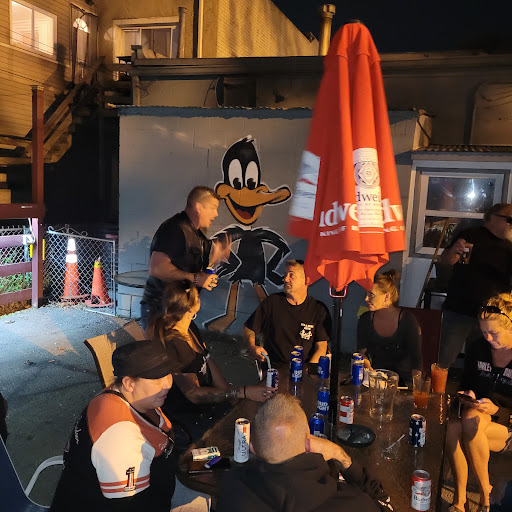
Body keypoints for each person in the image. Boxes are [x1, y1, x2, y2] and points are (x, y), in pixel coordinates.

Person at [50, 339, 186, 512]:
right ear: (129, 383)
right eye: (157, 378)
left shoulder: (123, 394)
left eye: (168, 374)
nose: (167, 384)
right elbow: (128, 506)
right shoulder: (120, 437)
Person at [217, 394, 392, 512]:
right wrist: (340, 454)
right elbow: (384, 504)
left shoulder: (232, 487)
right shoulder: (353, 502)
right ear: (309, 443)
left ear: (252, 448)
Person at [146, 280, 275, 440]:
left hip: (207, 406)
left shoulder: (190, 327)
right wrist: (242, 391)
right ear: (189, 307)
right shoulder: (175, 344)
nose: (200, 297)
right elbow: (193, 395)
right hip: (188, 416)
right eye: (197, 296)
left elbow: (208, 360)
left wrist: (231, 396)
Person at [446, 293, 512, 512]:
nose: (488, 338)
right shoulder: (477, 347)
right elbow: (465, 383)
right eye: (484, 332)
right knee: (453, 427)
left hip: (508, 426)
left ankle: (485, 495)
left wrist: (497, 410)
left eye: (494, 333)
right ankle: (460, 498)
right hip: (478, 416)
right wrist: (469, 394)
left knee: (469, 420)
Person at [140, 186, 230, 329]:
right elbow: (156, 268)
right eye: (213, 208)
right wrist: (196, 279)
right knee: (171, 345)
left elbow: (188, 266)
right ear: (198, 207)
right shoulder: (175, 229)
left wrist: (214, 259)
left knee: (193, 342)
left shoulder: (195, 232)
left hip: (179, 309)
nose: (216, 214)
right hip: (162, 309)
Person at [438, 203, 512, 367]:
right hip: (460, 308)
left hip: (492, 316)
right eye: (509, 220)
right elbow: (445, 261)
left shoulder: (509, 245)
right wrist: (453, 253)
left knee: (481, 362)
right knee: (444, 358)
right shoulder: (470, 235)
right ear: (492, 218)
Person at [243, 259, 331, 365]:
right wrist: (253, 347)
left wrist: (309, 372)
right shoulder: (272, 302)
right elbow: (249, 328)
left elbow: (321, 348)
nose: (285, 279)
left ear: (306, 280)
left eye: (291, 275)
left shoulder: (318, 309)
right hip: (274, 368)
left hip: (304, 369)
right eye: (285, 275)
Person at [357, 270, 422, 383]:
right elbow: (362, 352)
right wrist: (369, 370)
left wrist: (415, 387)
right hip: (376, 378)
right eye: (366, 294)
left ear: (387, 297)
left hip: (404, 381)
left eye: (371, 294)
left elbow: (417, 361)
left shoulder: (407, 320)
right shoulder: (365, 319)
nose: (366, 299)